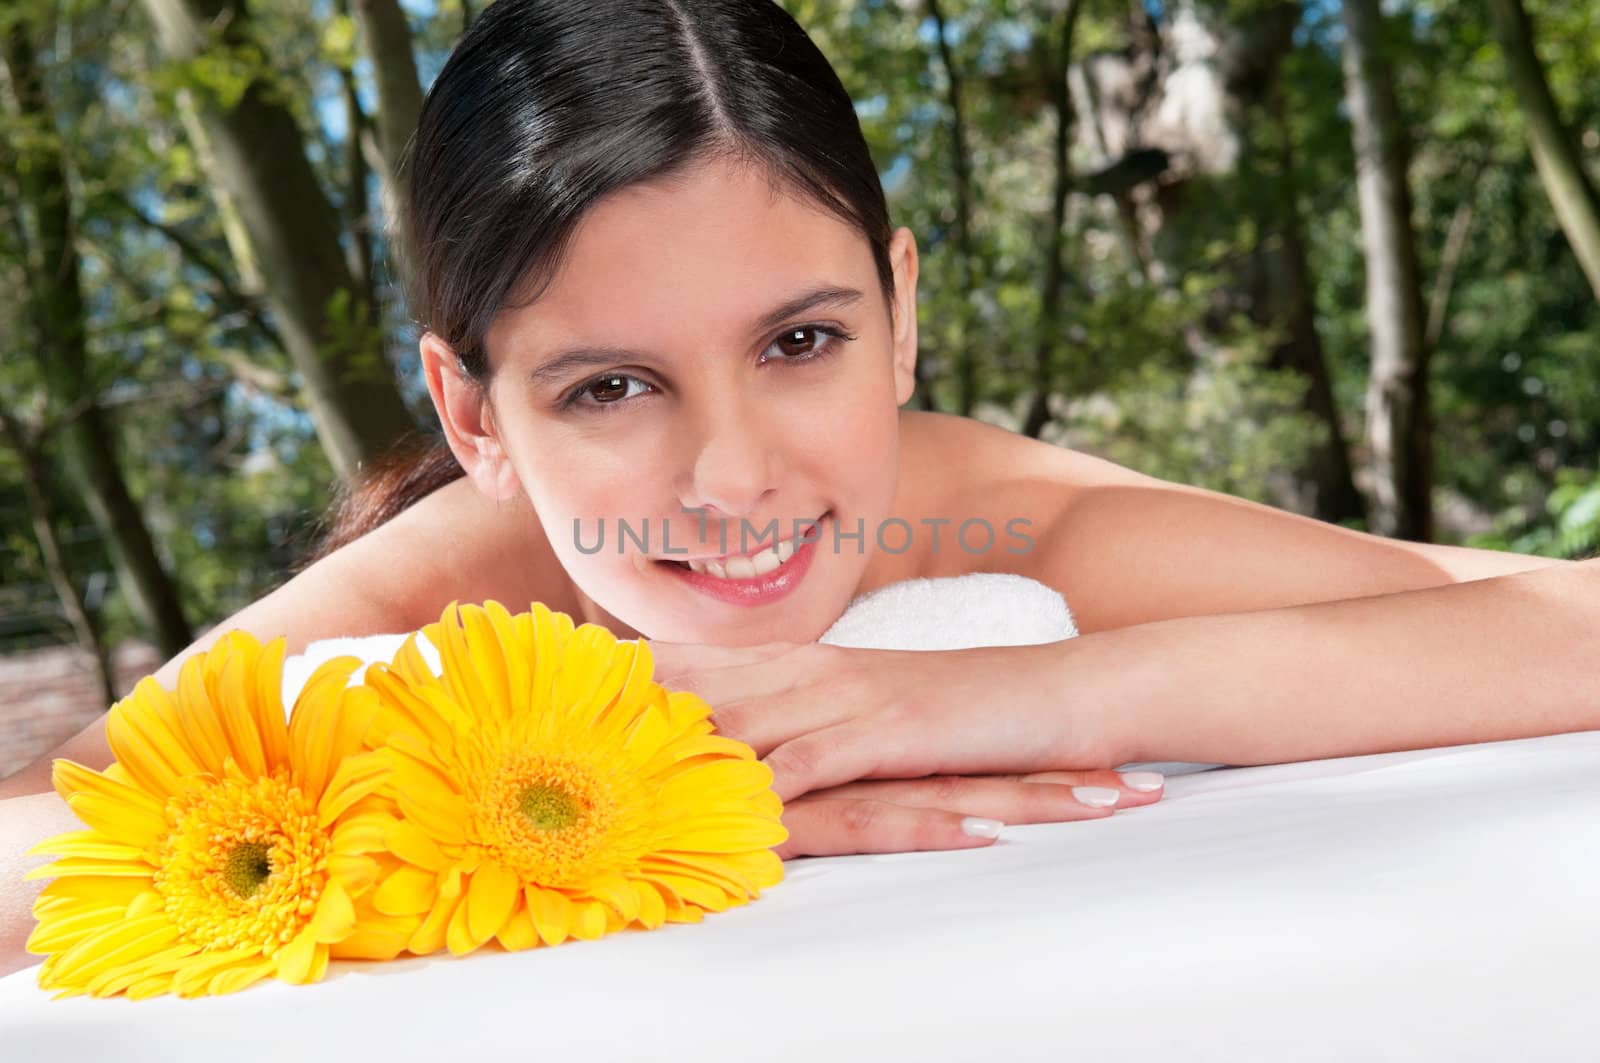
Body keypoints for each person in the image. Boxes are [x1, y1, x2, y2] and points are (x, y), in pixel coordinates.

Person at [1, 0, 1594, 976]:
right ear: (472, 414)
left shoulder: (1032, 537)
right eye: (608, 387)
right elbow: (42, 830)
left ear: (900, 313)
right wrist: (589, 798)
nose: (735, 479)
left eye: (801, 340)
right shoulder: (460, 576)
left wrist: (1013, 695)